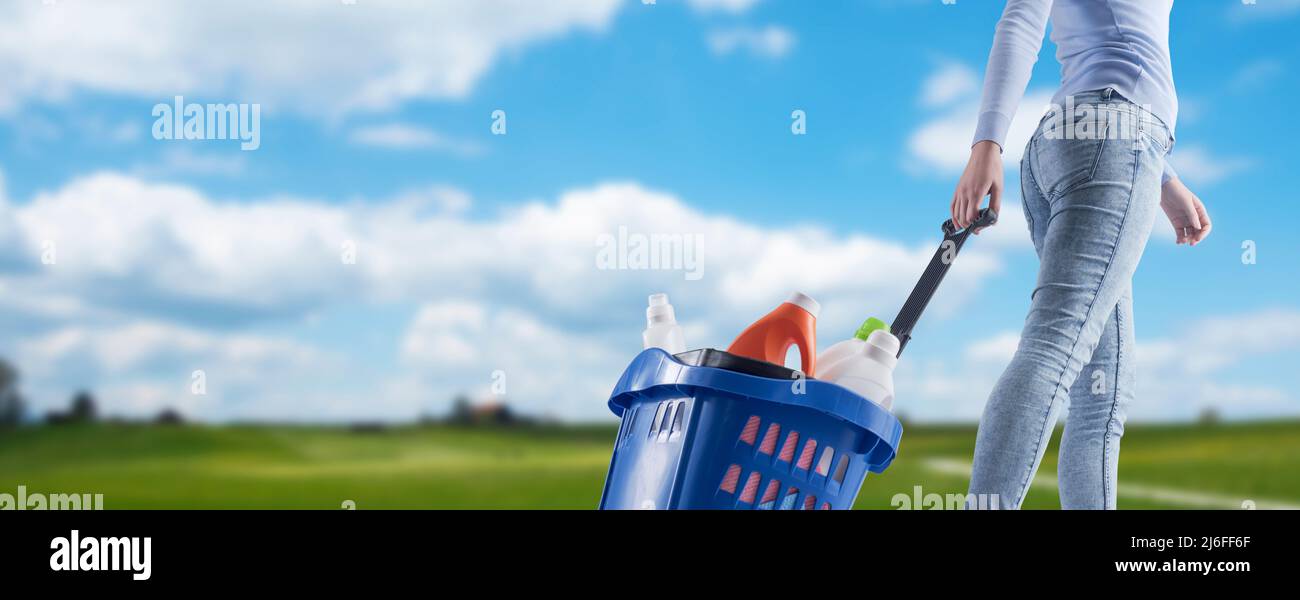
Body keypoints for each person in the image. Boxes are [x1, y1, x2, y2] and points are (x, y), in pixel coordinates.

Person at [952, 0, 1211, 509]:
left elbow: (1121, 41)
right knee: (1054, 351)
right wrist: (986, 143)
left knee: (1102, 396)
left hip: (1079, 142)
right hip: (1113, 136)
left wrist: (1163, 177)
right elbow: (1023, 15)